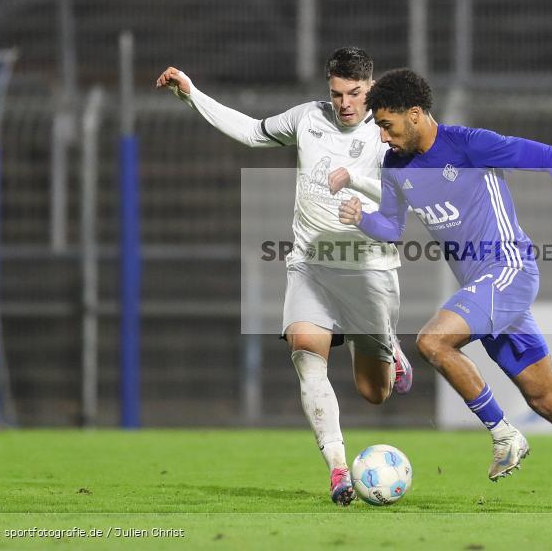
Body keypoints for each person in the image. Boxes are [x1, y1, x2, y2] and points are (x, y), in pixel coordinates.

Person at [337, 68, 552, 511]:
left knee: (433, 341)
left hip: (509, 269)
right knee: (548, 399)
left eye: (386, 124)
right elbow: (392, 229)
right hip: (485, 289)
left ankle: (503, 433)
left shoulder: (469, 144)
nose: (382, 136)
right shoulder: (395, 165)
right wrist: (361, 218)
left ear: (414, 114)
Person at [156, 48, 412, 506]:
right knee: (305, 352)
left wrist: (354, 178)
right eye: (337, 93)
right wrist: (192, 94)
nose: (345, 103)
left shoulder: (388, 131)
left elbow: (407, 194)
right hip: (312, 263)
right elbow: (252, 133)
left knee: (375, 393)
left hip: (369, 269)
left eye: (354, 93)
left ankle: (389, 346)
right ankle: (337, 468)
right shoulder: (306, 118)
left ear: (370, 88)